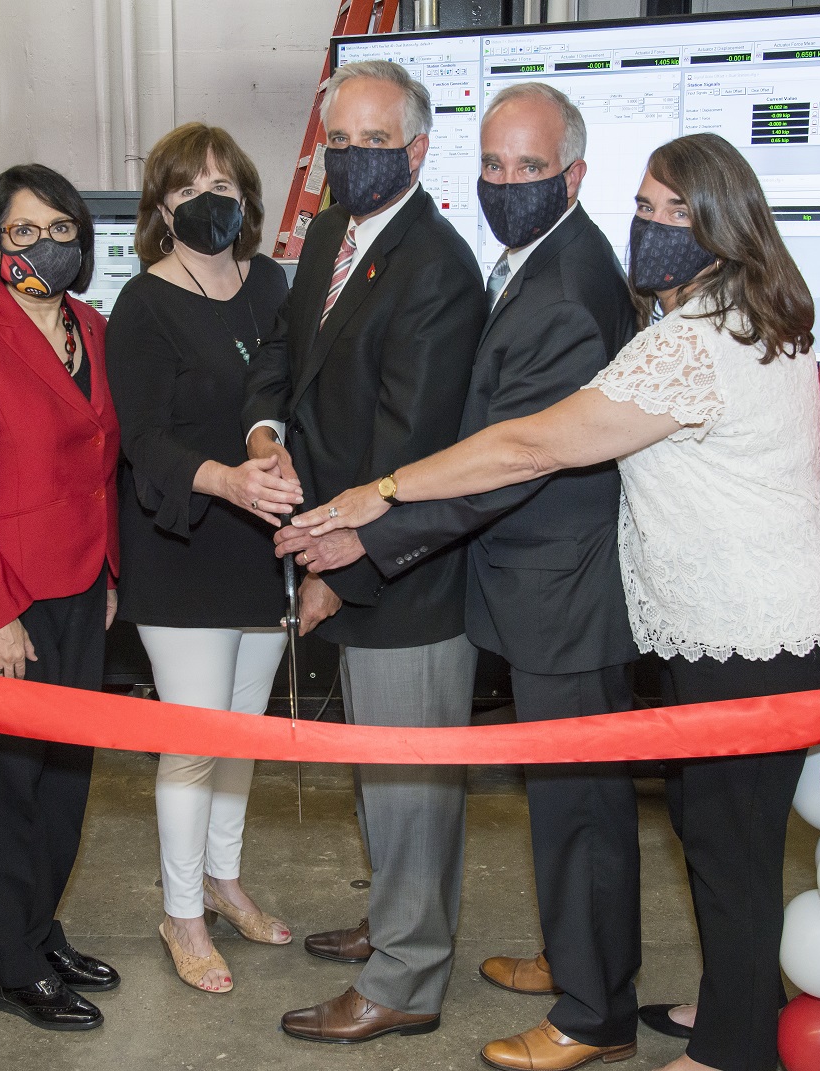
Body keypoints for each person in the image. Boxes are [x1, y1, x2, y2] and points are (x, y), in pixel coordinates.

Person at [294, 132, 820, 1071]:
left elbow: (531, 446)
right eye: (646, 206)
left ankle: (733, 1048)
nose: (653, 226)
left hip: (752, 625)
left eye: (677, 212)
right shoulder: (756, 314)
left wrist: (381, 493)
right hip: (741, 618)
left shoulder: (689, 345)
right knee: (714, 832)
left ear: (726, 224)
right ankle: (726, 1001)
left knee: (731, 849)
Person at [276, 81, 641, 1069]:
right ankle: (568, 963)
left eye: (528, 167)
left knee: (575, 818)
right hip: (502, 574)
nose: (506, 183)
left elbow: (506, 455)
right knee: (531, 807)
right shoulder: (527, 258)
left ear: (572, 174)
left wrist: (367, 533)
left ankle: (576, 1009)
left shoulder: (545, 283)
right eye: (496, 164)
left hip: (541, 586)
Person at [242, 59, 488, 1043]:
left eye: (372, 146)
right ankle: (395, 926)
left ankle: (405, 984)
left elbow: (410, 448)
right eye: (338, 144)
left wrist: (335, 568)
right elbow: (285, 358)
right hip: (343, 552)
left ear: (419, 152)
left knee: (411, 782)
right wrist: (263, 434)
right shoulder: (335, 234)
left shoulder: (436, 266)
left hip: (403, 576)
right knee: (381, 776)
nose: (350, 161)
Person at [0, 164, 122, 1032]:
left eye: (59, 228)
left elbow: (101, 463)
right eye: (22, 233)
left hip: (81, 587)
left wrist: (110, 573)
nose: (44, 246)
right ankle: (14, 966)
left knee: (67, 782)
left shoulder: (94, 327)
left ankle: (39, 932)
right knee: (10, 788)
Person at [105, 122, 302, 994]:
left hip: (264, 544)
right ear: (162, 208)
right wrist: (225, 478)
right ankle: (181, 910)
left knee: (243, 734)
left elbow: (298, 393)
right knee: (192, 743)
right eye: (188, 190)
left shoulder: (274, 284)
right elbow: (141, 439)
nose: (208, 201)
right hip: (183, 541)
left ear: (247, 198)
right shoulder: (142, 304)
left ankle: (223, 880)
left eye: (223, 184)